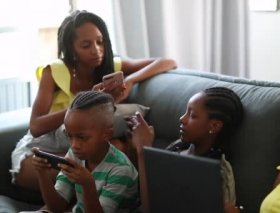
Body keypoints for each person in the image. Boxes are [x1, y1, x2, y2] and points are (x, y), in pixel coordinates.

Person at [10, 10, 176, 192]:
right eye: (86, 45)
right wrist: (85, 101)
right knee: (77, 173)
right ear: (71, 48)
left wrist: (130, 80)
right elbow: (35, 127)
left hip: (81, 151)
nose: (96, 50)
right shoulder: (54, 72)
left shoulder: (112, 65)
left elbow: (167, 62)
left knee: (117, 148)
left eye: (100, 42)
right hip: (42, 148)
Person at [129, 87, 244, 213]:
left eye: (192, 115)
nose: (182, 119)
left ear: (214, 125)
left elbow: (152, 207)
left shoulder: (217, 171)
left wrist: (143, 149)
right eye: (186, 112)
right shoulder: (177, 147)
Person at [30, 91, 138, 213]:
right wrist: (42, 173)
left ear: (106, 134)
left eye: (82, 137)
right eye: (69, 136)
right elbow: (56, 207)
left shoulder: (120, 169)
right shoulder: (75, 155)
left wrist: (88, 185)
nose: (74, 145)